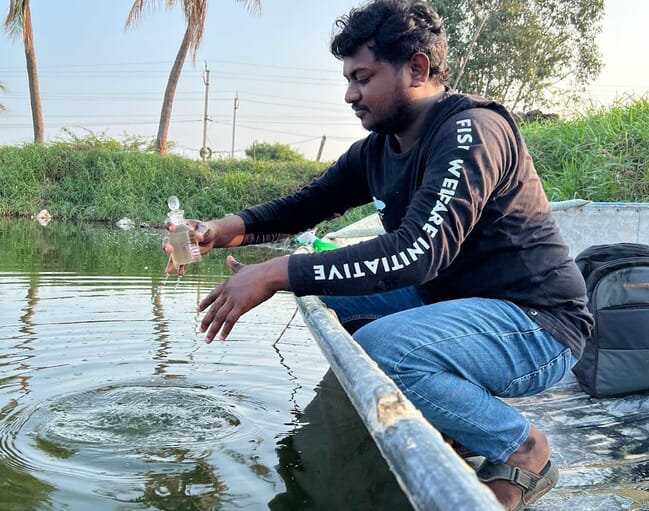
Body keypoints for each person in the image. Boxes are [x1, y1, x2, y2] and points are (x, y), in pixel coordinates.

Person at [165, 1, 593, 509]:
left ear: (417, 68)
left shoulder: (471, 131)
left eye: (363, 77)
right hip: (453, 300)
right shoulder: (378, 149)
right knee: (328, 294)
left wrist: (278, 272)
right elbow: (304, 206)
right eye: (348, 79)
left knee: (387, 347)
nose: (350, 94)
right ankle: (450, 416)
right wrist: (219, 230)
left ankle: (524, 449)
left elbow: (417, 253)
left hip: (535, 322)